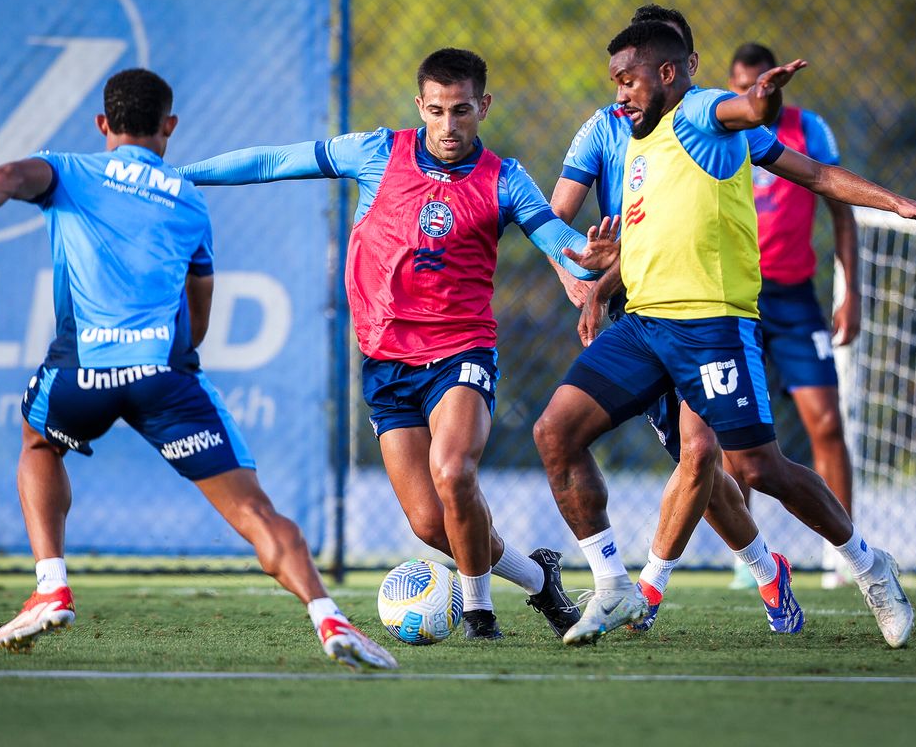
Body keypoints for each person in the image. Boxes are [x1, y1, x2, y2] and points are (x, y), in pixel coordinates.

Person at [0, 68, 397, 670]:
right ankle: (327, 616)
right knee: (253, 510)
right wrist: (181, 361)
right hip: (164, 375)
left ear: (103, 125)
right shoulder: (187, 199)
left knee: (38, 443)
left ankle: (52, 583)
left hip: (82, 370)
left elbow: (5, 177)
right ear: (170, 127)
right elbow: (201, 299)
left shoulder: (69, 171)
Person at [534, 20, 916, 648]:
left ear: (669, 73)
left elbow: (809, 169)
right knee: (555, 433)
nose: (618, 93)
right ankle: (615, 583)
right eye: (614, 81)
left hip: (712, 328)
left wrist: (896, 202)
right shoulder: (634, 139)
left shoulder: (704, 115)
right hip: (645, 324)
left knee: (758, 469)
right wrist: (596, 275)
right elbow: (646, 238)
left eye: (628, 79)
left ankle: (870, 566)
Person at [179, 48, 616, 640]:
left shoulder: (505, 179)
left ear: (483, 107)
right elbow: (275, 162)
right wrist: (180, 177)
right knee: (432, 524)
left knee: (452, 468)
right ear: (420, 107)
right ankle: (541, 582)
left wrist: (585, 259)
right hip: (385, 361)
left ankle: (479, 612)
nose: (449, 125)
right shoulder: (377, 152)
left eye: (461, 111)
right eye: (436, 111)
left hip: (461, 351)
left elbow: (556, 238)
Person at [726, 42, 858, 590]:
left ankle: (847, 554)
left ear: (777, 84)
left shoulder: (811, 131)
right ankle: (747, 554)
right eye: (742, 86)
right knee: (735, 433)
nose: (754, 93)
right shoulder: (719, 129)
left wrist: (850, 291)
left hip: (795, 298)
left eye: (763, 84)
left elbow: (840, 210)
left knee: (826, 422)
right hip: (736, 297)